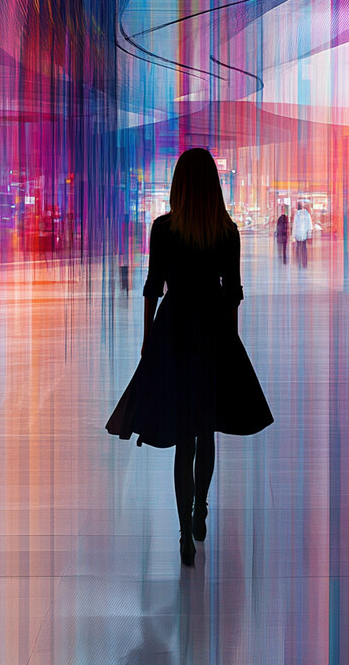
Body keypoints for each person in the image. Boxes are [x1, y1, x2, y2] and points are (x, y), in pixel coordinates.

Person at [106, 148, 274, 567]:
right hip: (214, 332)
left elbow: (153, 287)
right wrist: (229, 343)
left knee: (184, 435)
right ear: (214, 186)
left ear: (179, 185)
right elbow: (233, 292)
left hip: (175, 331)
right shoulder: (227, 231)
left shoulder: (163, 229)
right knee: (206, 430)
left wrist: (148, 340)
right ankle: (201, 509)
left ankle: (184, 534)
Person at [292, 201, 312, 268]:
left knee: (298, 247)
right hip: (304, 234)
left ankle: (299, 260)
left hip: (298, 234)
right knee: (304, 248)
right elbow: (309, 225)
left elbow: (294, 225)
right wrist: (309, 235)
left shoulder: (297, 214)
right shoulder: (307, 214)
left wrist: (293, 235)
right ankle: (304, 262)